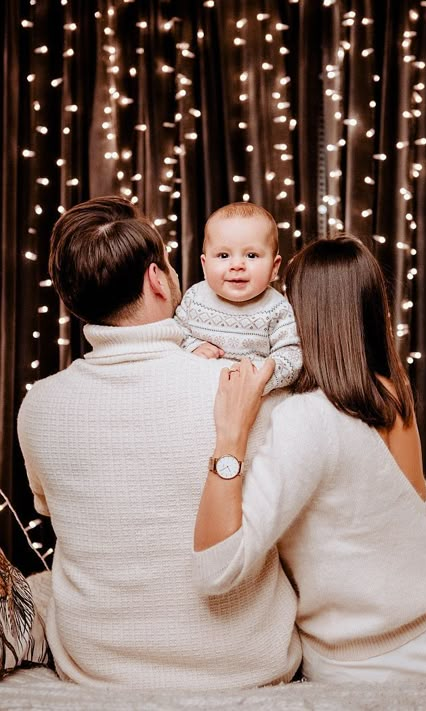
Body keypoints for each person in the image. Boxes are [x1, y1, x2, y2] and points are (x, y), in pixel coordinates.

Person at [16, 196, 301, 689]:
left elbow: (48, 508)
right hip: (248, 663)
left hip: (96, 667)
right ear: (155, 279)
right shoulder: (244, 391)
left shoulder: (38, 405)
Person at [193, 236, 426, 682]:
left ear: (300, 315)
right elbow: (425, 511)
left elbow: (218, 568)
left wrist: (230, 438)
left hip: (372, 661)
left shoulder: (302, 419)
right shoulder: (391, 389)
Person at [174, 202, 302, 393]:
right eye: (223, 255)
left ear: (274, 267)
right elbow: (175, 333)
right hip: (198, 392)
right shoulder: (195, 297)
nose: (237, 265)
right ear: (205, 264)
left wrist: (260, 377)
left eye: (251, 255)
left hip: (252, 399)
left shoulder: (278, 310)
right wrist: (193, 346)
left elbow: (292, 355)